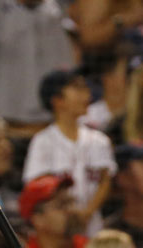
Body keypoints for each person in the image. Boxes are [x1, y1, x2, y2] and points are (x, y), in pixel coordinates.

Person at [22, 69, 116, 235]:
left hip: (92, 226)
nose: (86, 94)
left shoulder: (99, 140)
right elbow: (36, 184)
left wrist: (86, 213)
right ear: (57, 100)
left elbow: (105, 180)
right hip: (57, 227)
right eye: (77, 89)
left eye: (85, 88)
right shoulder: (43, 141)